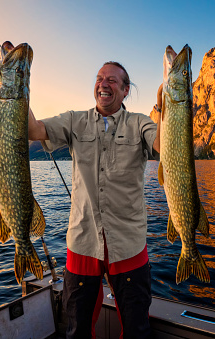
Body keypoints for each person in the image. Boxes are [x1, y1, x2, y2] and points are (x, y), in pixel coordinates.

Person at [28, 61, 162, 339]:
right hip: (82, 241)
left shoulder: (140, 123)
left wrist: (168, 107)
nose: (103, 84)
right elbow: (33, 130)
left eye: (113, 80)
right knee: (77, 331)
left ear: (126, 91)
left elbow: (163, 145)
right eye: (100, 78)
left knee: (137, 331)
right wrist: (15, 85)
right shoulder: (75, 120)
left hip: (129, 244)